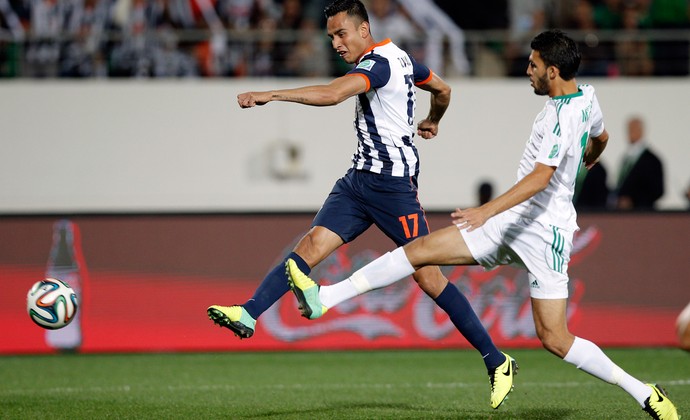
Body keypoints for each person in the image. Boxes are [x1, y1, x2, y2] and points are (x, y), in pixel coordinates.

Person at [285, 29, 679, 419]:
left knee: (554, 339)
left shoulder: (559, 118)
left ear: (553, 72)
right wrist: (589, 157)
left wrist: (485, 211)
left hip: (535, 230)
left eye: (534, 65)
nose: (527, 70)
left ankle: (642, 391)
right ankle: (326, 298)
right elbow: (602, 137)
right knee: (420, 253)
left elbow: (541, 178)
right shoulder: (587, 98)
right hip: (535, 227)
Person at [207, 0, 516, 409]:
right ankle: (249, 313)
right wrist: (434, 119)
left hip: (393, 190)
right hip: (357, 182)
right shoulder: (402, 59)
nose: (336, 42)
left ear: (364, 29)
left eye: (341, 33)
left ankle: (497, 361)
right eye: (331, 36)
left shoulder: (379, 64)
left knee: (428, 277)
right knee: (310, 247)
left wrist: (271, 94)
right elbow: (443, 89)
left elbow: (335, 94)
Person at [615, 116, 664, 210]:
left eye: (633, 129)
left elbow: (658, 190)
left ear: (641, 131)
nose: (630, 133)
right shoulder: (626, 159)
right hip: (622, 213)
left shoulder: (652, 160)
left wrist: (633, 200)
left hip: (643, 213)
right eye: (628, 130)